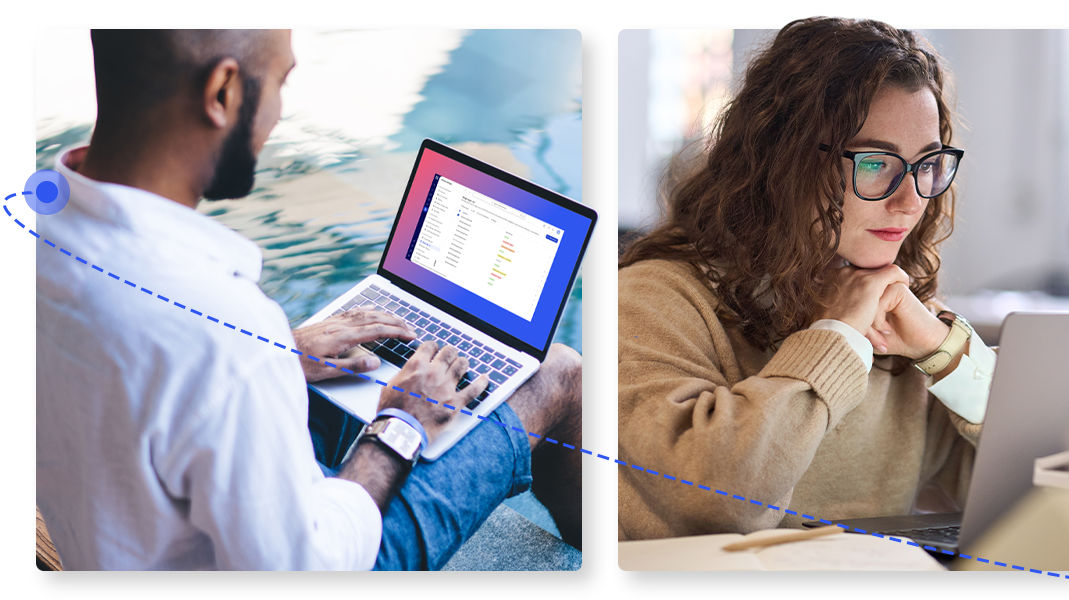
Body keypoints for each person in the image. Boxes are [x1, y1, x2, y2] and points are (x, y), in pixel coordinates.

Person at [35, 29, 582, 570]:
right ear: (223, 92)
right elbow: (309, 568)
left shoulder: (38, 231)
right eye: (280, 81)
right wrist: (401, 424)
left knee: (351, 370)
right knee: (557, 371)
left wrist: (281, 353)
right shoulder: (218, 328)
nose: (277, 115)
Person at [617, 18, 996, 540]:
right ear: (783, 160)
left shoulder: (897, 311)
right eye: (875, 162)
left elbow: (1040, 486)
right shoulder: (653, 299)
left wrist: (945, 351)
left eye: (927, 163)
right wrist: (836, 337)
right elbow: (719, 502)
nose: (911, 201)